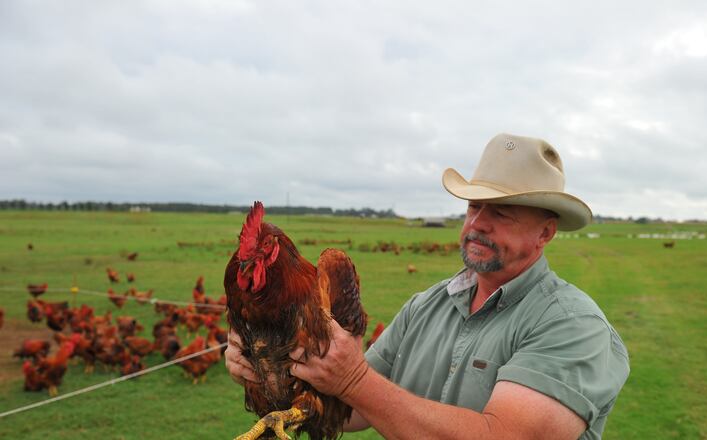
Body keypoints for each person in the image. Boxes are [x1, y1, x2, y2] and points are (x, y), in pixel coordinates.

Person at [226, 133, 630, 439]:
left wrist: (352, 380)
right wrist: (270, 377)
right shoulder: (428, 305)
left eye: (502, 213)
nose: (477, 224)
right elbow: (353, 410)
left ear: (545, 233)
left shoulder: (573, 325)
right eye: (474, 207)